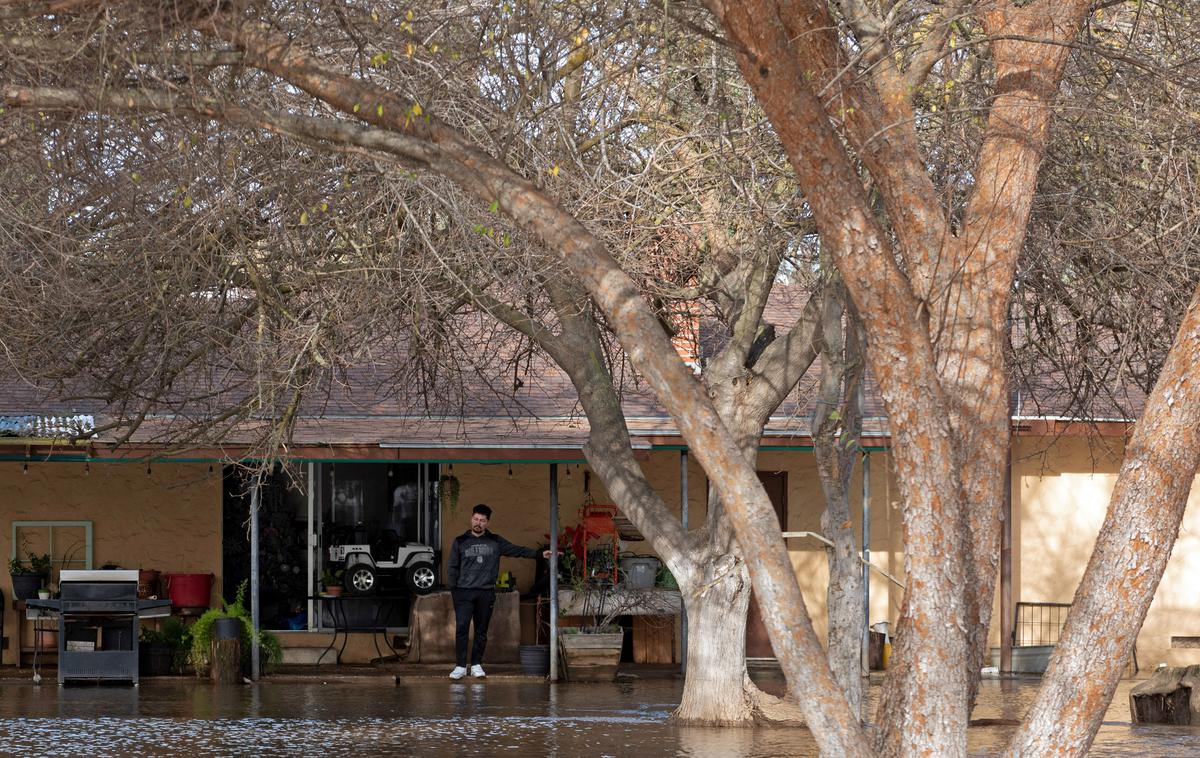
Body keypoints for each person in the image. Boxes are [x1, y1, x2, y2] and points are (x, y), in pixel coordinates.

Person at [447, 503, 552, 679]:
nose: (478, 523)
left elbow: (516, 550)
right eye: (475, 519)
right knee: (462, 628)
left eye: (482, 520)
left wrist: (539, 554)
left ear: (487, 522)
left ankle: (476, 664)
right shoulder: (460, 541)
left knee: (481, 630)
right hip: (463, 593)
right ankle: (459, 666)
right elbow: (452, 568)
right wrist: (455, 592)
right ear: (471, 518)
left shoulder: (495, 541)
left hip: (486, 592)